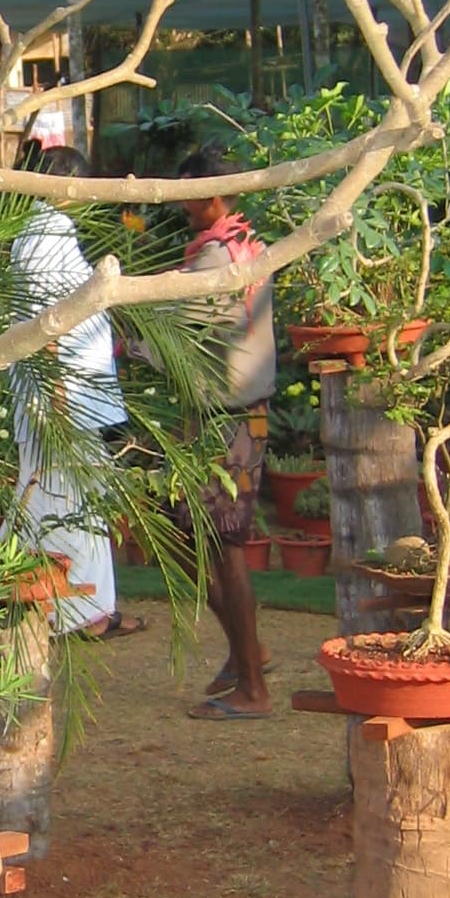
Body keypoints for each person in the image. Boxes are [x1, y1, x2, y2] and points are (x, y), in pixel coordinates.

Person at [9, 146, 141, 637]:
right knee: (64, 498)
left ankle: (87, 609)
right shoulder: (42, 238)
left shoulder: (47, 234)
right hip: (59, 396)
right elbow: (46, 321)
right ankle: (79, 612)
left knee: (74, 497)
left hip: (69, 393)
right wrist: (58, 389)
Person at [176, 145, 276, 721]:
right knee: (201, 539)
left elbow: (178, 336)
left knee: (224, 548)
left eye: (187, 194)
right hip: (240, 415)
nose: (179, 205)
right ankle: (248, 653)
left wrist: (130, 342)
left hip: (226, 420)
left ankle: (254, 686)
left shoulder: (217, 258)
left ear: (211, 196)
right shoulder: (249, 244)